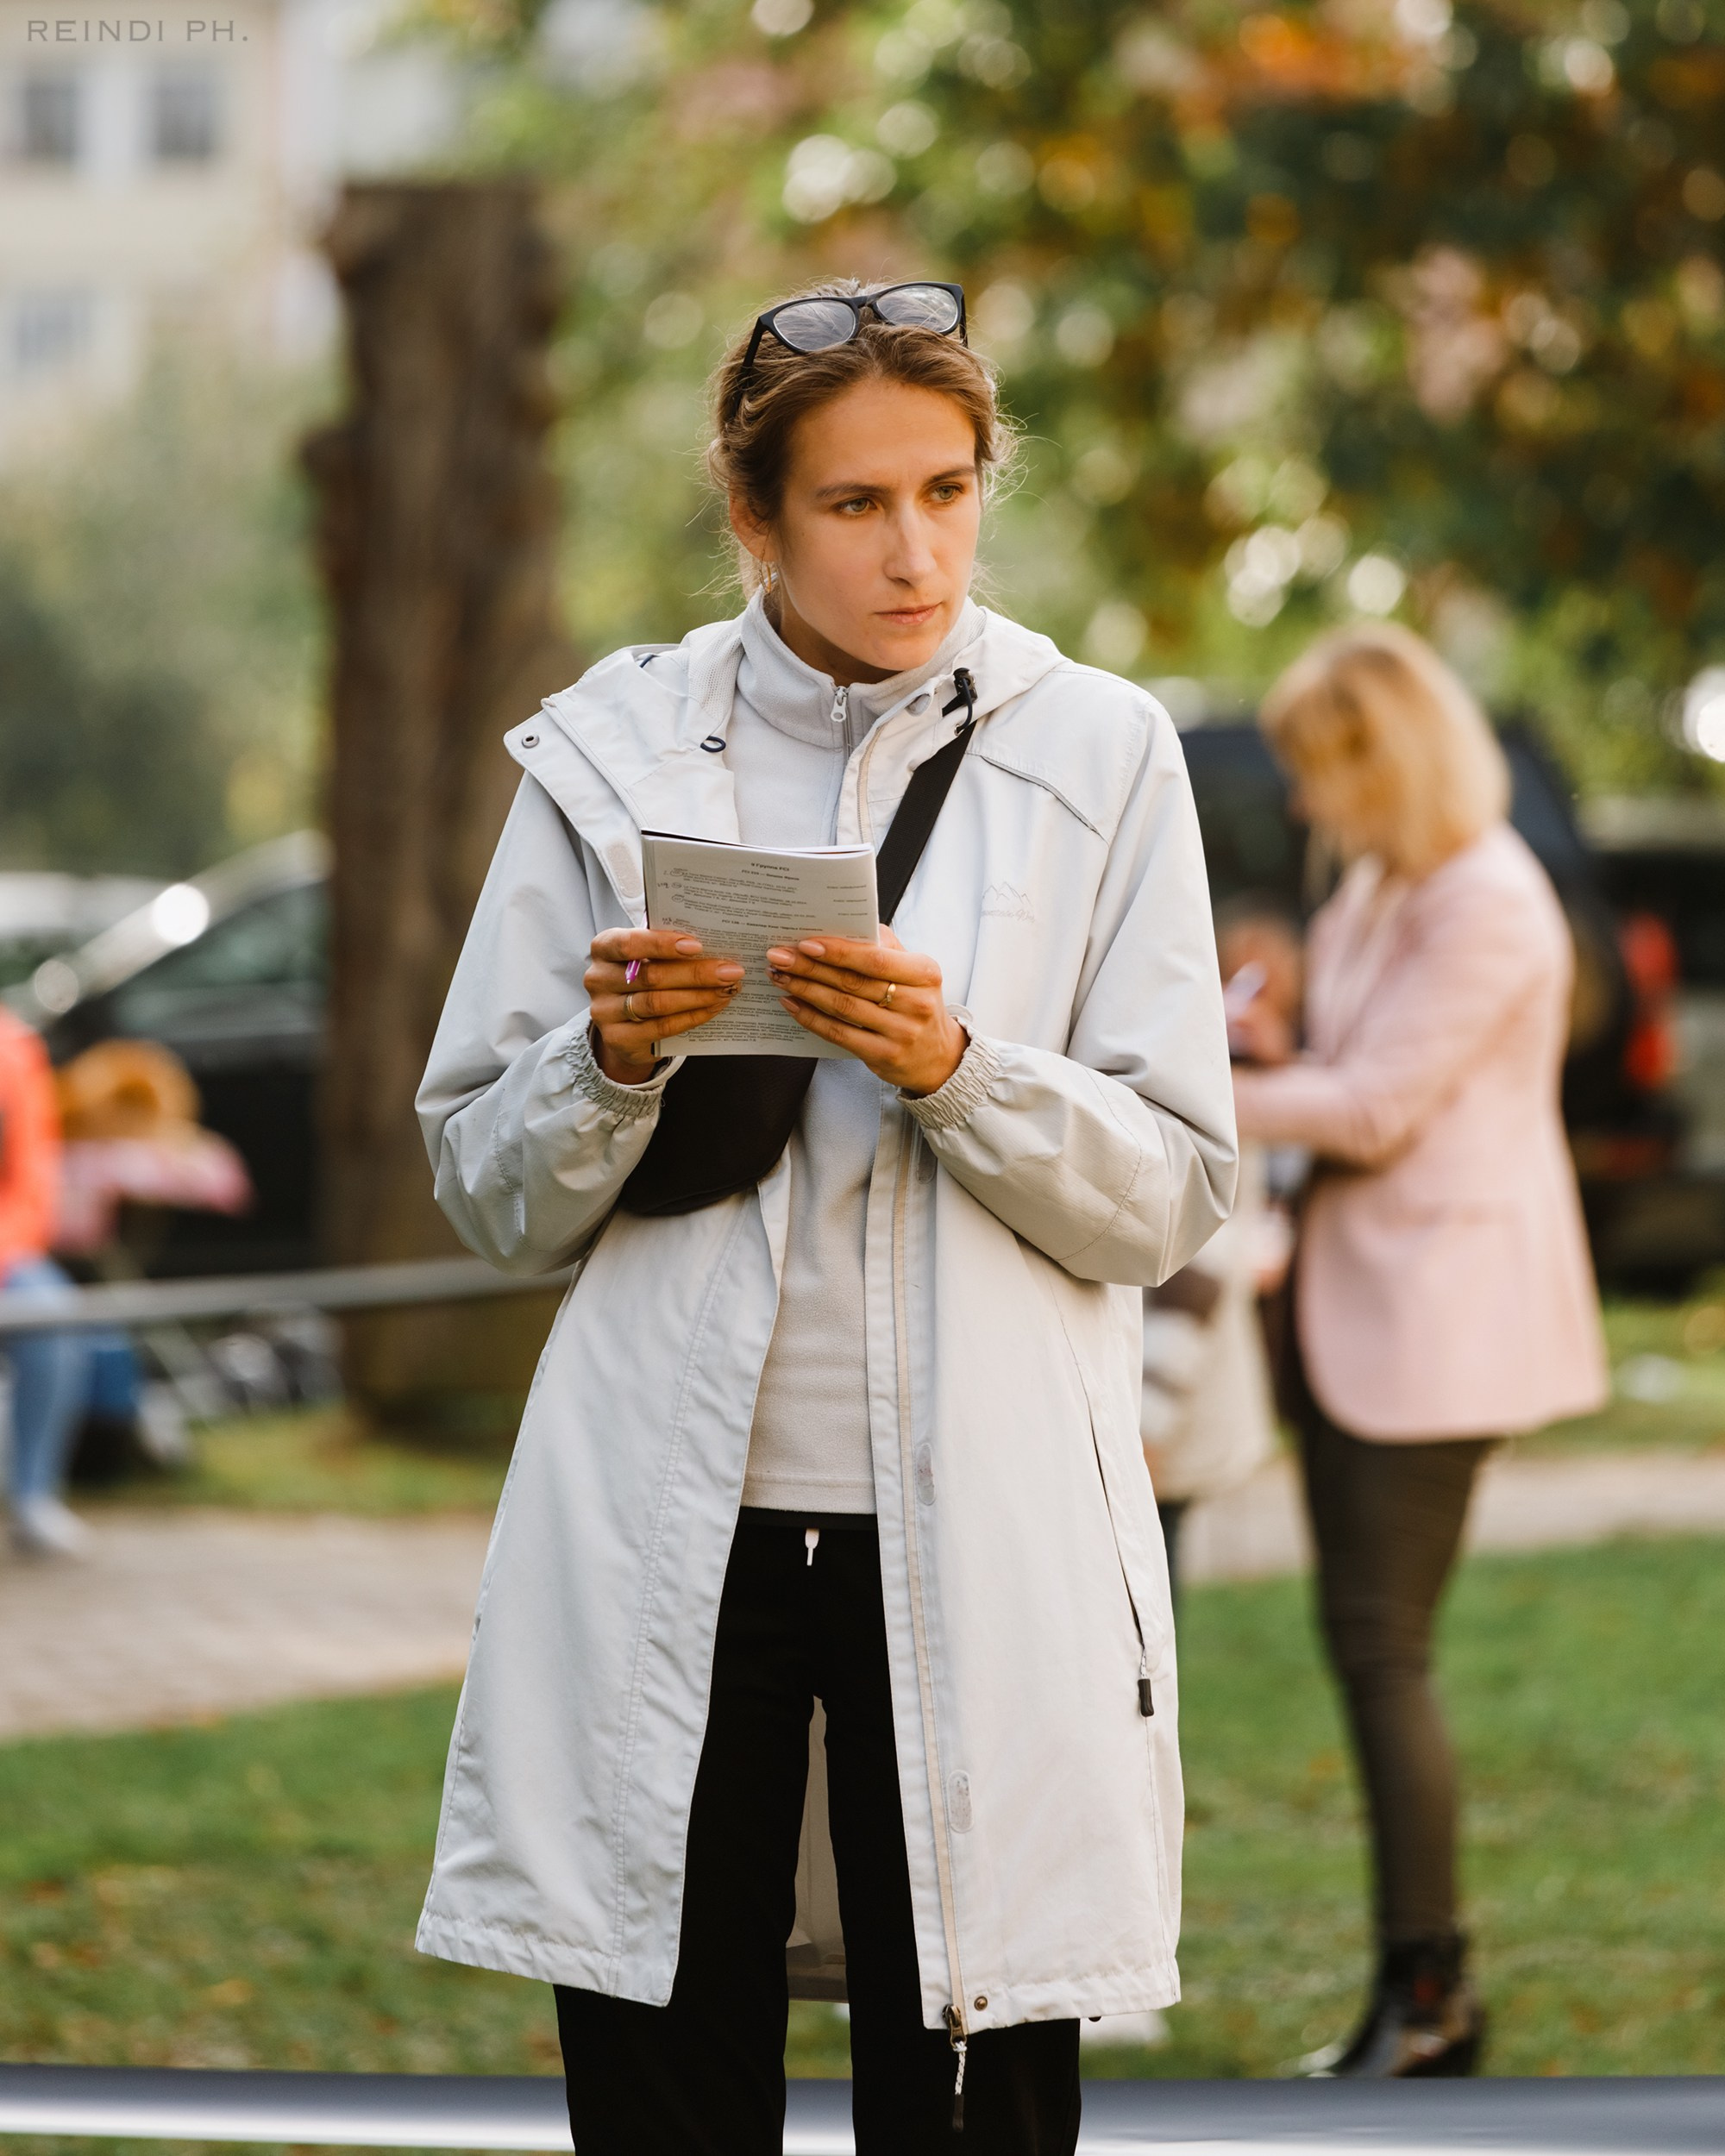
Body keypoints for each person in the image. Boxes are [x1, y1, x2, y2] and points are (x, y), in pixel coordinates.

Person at [415, 277, 1237, 2155]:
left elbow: (1175, 1185)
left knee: (971, 2092)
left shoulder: (1100, 753)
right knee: (661, 2085)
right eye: (857, 504)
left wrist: (961, 1067)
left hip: (980, 1535)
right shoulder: (606, 760)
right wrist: (609, 1061)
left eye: (946, 490)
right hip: (666, 1541)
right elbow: (482, 1181)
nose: (914, 547)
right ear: (753, 516)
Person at [1229, 624, 1607, 2078]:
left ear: (1385, 757)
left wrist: (1194, 1083)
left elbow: (1380, 1107)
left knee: (1385, 1652)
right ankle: (1417, 1994)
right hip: (1351, 1308)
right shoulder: (1390, 885)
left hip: (1440, 1321)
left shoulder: (1491, 903)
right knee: (1365, 1643)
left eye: (1319, 774)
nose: (1306, 806)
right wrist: (1261, 1052)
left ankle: (1433, 2001)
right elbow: (1343, 1063)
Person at [1140, 908, 1298, 1606]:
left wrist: (1148, 1423)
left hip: (1164, 1407)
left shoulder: (1214, 1099)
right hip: (1180, 1400)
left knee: (1144, 1595)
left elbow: (1196, 1271)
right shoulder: (1235, 1095)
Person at [0, 1007, 94, 1557]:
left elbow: (33, 1179)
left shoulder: (14, 1046)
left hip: (5, 1258)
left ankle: (34, 1497)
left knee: (53, 1311)